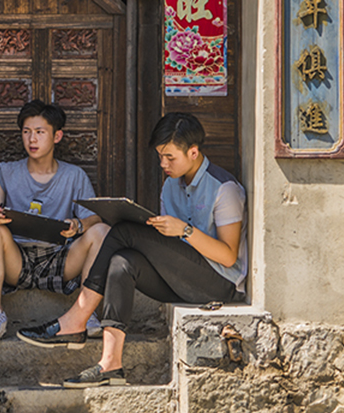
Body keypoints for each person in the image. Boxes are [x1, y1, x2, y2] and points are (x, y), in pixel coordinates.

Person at [17, 112, 247, 388]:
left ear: (194, 152)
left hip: (219, 284)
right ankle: (111, 364)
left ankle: (76, 319)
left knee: (124, 231)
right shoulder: (170, 186)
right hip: (181, 278)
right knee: (122, 262)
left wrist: (184, 230)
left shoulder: (224, 189)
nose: (163, 164)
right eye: (160, 156)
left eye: (170, 157)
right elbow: (170, 250)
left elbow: (229, 256)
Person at [0, 100, 110, 343]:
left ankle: (86, 311)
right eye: (26, 132)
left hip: (61, 259)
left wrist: (79, 226)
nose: (32, 140)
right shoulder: (6, 172)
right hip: (18, 261)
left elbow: (94, 217)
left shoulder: (74, 175)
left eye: (40, 132)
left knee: (101, 231)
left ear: (57, 136)